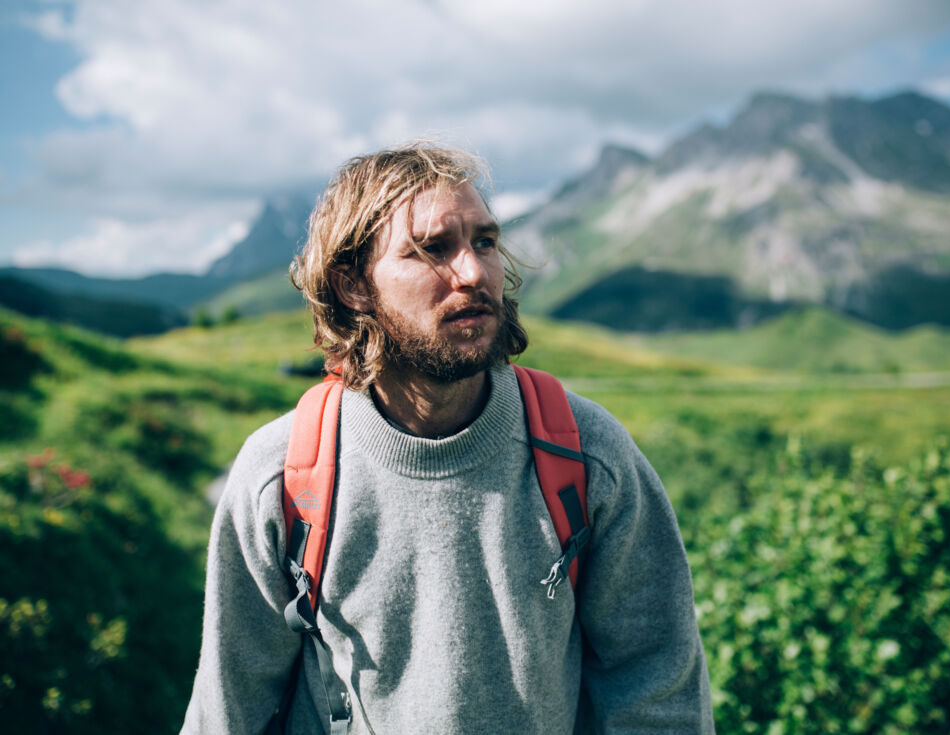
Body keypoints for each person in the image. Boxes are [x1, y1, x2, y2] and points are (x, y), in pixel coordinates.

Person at [180, 143, 714, 734]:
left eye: (484, 241)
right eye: (433, 249)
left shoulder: (588, 456)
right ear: (353, 286)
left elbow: (659, 697)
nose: (474, 272)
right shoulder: (281, 476)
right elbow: (228, 711)